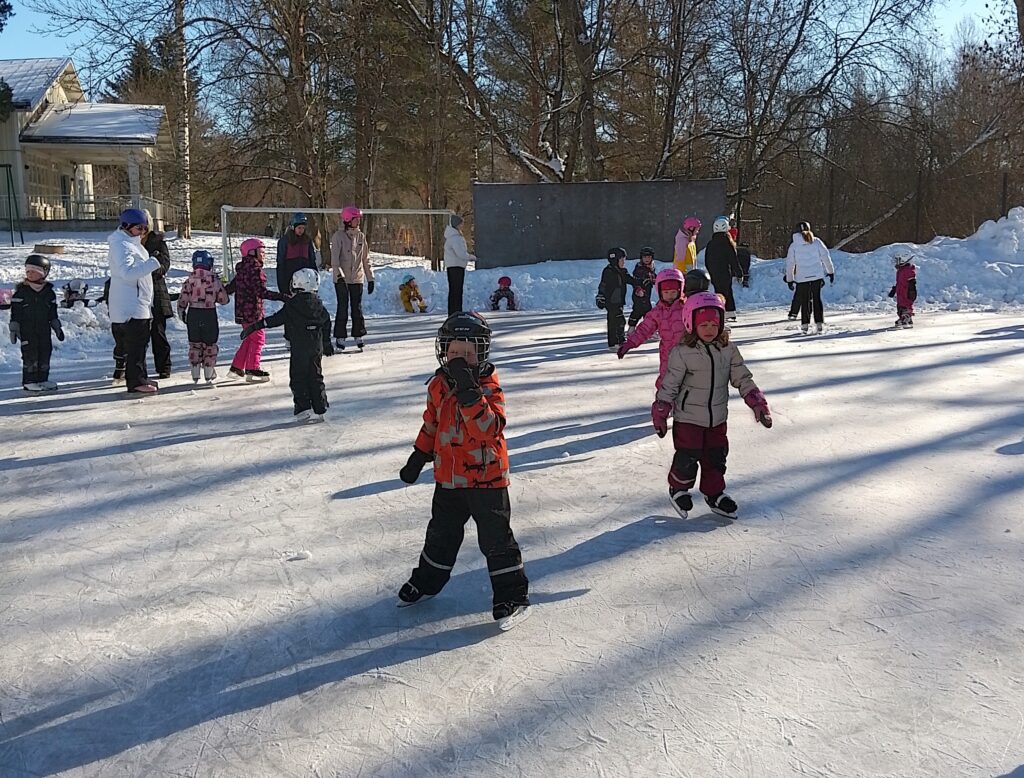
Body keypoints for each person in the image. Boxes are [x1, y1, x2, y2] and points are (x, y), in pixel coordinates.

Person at [396, 312, 530, 625]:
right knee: (440, 535)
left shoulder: (488, 388)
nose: (460, 360)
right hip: (448, 479)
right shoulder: (439, 386)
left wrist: (470, 391)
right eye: (454, 353)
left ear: (481, 354)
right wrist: (418, 456)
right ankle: (427, 581)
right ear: (443, 350)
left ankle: (512, 596)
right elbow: (431, 424)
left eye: (468, 354)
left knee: (496, 540)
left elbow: (488, 428)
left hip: (487, 480)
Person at [651, 292, 772, 520]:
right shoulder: (682, 353)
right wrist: (661, 409)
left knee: (716, 456)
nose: (709, 329)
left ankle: (714, 493)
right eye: (703, 324)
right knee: (688, 456)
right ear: (691, 323)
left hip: (717, 418)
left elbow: (743, 378)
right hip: (688, 419)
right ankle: (678, 489)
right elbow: (670, 384)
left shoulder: (728, 350)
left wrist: (757, 402)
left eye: (714, 324)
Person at [240, 268, 333, 422]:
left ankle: (303, 408)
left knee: (298, 376)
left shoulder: (293, 305)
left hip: (299, 348)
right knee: (315, 375)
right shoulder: (319, 305)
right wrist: (327, 342)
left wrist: (255, 326)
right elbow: (326, 322)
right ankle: (320, 406)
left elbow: (276, 319)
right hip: (316, 347)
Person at [107, 207, 161, 394]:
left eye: (145, 229)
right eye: (139, 228)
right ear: (127, 226)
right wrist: (152, 263)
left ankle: (141, 376)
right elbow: (127, 273)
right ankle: (136, 381)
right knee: (136, 346)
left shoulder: (130, 243)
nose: (143, 232)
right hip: (129, 305)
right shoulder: (122, 245)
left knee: (140, 343)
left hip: (136, 303)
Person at [227, 238, 286, 381]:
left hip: (242, 312)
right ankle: (253, 368)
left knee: (250, 338)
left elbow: (231, 287)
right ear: (252, 252)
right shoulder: (255, 270)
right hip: (252, 312)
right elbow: (261, 292)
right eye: (261, 251)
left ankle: (236, 367)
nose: (264, 254)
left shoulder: (242, 269)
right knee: (259, 338)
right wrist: (282, 297)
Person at [617, 268, 686, 389]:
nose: (670, 296)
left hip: (687, 354)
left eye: (673, 292)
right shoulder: (657, 312)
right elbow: (644, 329)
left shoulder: (686, 308)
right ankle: (664, 403)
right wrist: (630, 343)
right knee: (666, 381)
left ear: (680, 290)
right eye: (666, 292)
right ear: (660, 292)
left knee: (688, 382)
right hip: (667, 355)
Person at [9, 254, 63, 392]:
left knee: (45, 352)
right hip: (27, 330)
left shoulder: (49, 293)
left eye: (33, 271)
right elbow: (15, 312)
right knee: (30, 354)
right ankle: (29, 380)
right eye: (28, 271)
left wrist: (56, 326)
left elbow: (52, 312)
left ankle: (42, 379)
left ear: (43, 273)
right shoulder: (21, 293)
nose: (30, 274)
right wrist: (14, 327)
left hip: (44, 329)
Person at [177, 250, 229, 384]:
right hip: (209, 314)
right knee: (210, 343)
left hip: (194, 313)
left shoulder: (189, 280)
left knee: (195, 344)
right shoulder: (214, 280)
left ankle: (195, 370)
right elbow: (224, 299)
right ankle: (209, 370)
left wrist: (182, 311)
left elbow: (183, 299)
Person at [330, 205, 374, 351]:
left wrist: (370, 278)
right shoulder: (338, 237)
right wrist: (339, 276)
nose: (358, 222)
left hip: (357, 278)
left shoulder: (361, 236)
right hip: (342, 279)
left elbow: (365, 259)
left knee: (357, 308)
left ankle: (358, 334)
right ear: (348, 220)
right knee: (342, 307)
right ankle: (340, 336)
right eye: (356, 219)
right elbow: (335, 260)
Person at [784, 221, 835, 334]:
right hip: (817, 276)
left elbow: (790, 264)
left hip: (802, 278)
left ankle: (805, 325)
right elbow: (825, 257)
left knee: (805, 300)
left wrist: (790, 279)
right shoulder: (816, 242)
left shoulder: (794, 246)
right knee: (817, 298)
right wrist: (830, 271)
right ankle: (819, 323)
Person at [705, 216, 743, 321]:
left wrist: (710, 272)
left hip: (715, 273)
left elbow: (707, 260)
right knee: (727, 291)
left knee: (719, 292)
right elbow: (733, 259)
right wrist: (739, 272)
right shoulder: (727, 243)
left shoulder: (711, 244)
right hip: (726, 272)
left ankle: (722, 311)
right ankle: (729, 311)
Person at [597, 247, 632, 349]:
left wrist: (640, 282)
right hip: (611, 301)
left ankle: (620, 340)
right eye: (622, 260)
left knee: (620, 321)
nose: (623, 262)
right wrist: (600, 296)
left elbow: (631, 280)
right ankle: (613, 342)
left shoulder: (622, 271)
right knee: (614, 321)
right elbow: (603, 285)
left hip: (619, 301)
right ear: (615, 260)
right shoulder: (608, 271)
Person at [276, 212, 318, 296]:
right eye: (299, 228)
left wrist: (315, 277)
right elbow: (280, 263)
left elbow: (312, 260)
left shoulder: (307, 241)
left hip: (305, 278)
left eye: (303, 228)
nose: (301, 230)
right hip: (289, 276)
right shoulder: (285, 241)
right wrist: (282, 285)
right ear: (293, 227)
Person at [444, 214, 475, 315]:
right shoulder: (455, 238)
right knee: (457, 291)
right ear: (457, 224)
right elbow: (461, 254)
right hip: (456, 267)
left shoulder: (452, 237)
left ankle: (453, 312)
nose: (463, 225)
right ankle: (456, 312)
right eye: (461, 223)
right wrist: (471, 257)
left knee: (454, 291)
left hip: (453, 266)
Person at [627, 247, 658, 335]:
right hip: (639, 294)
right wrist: (638, 289)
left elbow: (653, 277)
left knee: (647, 312)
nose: (647, 259)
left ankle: (649, 329)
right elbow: (636, 281)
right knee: (638, 311)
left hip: (646, 294)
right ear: (641, 258)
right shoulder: (639, 268)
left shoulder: (651, 267)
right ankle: (632, 328)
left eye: (649, 257)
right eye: (645, 257)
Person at [889, 250, 918, 329]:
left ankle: (907, 319)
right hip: (900, 292)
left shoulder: (908, 270)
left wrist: (912, 290)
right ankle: (902, 318)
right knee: (900, 305)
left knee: (906, 305)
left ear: (903, 260)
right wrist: (894, 289)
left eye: (898, 260)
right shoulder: (900, 270)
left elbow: (911, 280)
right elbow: (900, 282)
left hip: (906, 292)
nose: (896, 262)